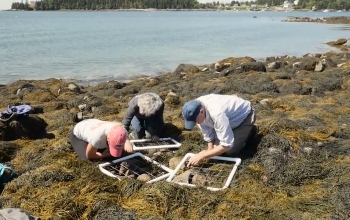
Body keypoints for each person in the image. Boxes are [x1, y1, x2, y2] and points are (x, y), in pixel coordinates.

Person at [182, 94, 258, 166]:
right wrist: (209, 150)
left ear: (201, 111)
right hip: (228, 121)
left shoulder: (217, 113)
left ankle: (251, 130)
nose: (195, 123)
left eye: (195, 121)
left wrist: (202, 155)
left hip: (245, 116)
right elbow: (208, 132)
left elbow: (227, 145)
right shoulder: (195, 108)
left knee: (230, 151)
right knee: (216, 149)